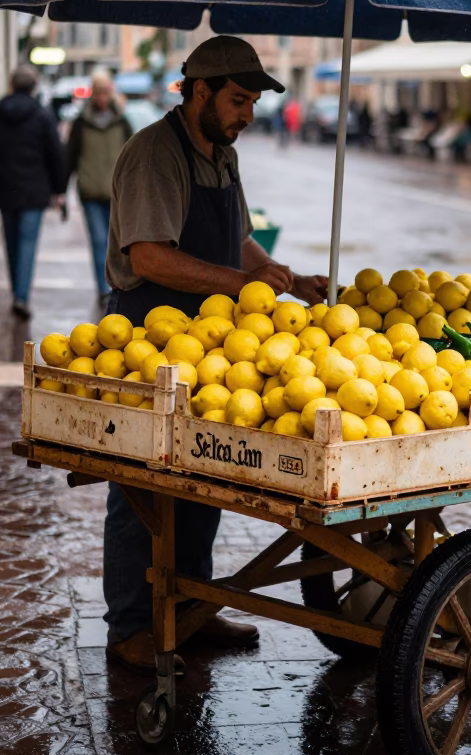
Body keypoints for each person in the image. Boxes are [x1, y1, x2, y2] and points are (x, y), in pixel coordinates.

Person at [103, 35, 327, 675]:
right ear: (198, 91)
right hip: (146, 338)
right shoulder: (154, 155)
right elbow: (148, 254)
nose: (247, 115)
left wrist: (284, 274)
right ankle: (130, 624)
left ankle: (191, 608)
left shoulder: (221, 153)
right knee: (143, 484)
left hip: (215, 342)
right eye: (237, 100)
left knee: (205, 475)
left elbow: (242, 239)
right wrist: (237, 282)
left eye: (253, 101)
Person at [0, 65, 65, 319]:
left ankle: (17, 289)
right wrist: (59, 189)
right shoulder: (42, 114)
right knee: (27, 243)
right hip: (34, 189)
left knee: (11, 243)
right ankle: (21, 296)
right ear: (33, 86)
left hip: (5, 188)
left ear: (12, 84)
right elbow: (55, 153)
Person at [66, 71, 132, 305]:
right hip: (90, 191)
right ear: (93, 94)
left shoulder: (122, 121)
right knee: (97, 240)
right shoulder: (81, 123)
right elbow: (70, 157)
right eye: (98, 93)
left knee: (117, 243)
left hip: (116, 193)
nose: (102, 98)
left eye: (106, 93)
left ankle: (116, 285)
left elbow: (133, 156)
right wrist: (62, 193)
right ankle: (103, 288)